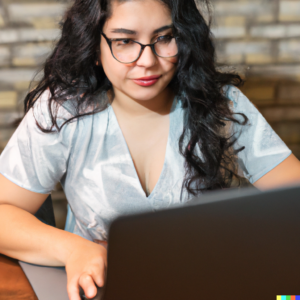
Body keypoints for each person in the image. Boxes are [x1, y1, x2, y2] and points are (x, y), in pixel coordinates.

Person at [0, 0, 300, 299]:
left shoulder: (221, 104)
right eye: (125, 41)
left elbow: (293, 199)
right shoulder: (65, 109)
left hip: (203, 281)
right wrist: (72, 249)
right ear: (94, 46)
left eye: (164, 38)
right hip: (100, 286)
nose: (147, 61)